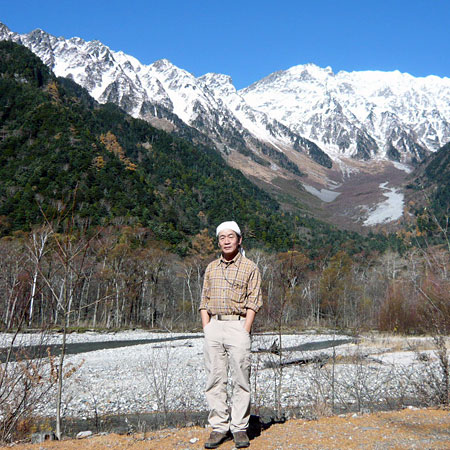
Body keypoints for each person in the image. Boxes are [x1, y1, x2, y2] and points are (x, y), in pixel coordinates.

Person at [199, 221, 263, 449]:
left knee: (241, 380)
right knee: (214, 380)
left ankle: (239, 428)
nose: (226, 241)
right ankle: (219, 427)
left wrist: (245, 329)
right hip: (215, 326)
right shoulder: (211, 268)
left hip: (237, 326)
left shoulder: (250, 268)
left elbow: (254, 302)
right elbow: (204, 301)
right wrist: (207, 328)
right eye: (222, 237)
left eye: (230, 237)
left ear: (239, 239)